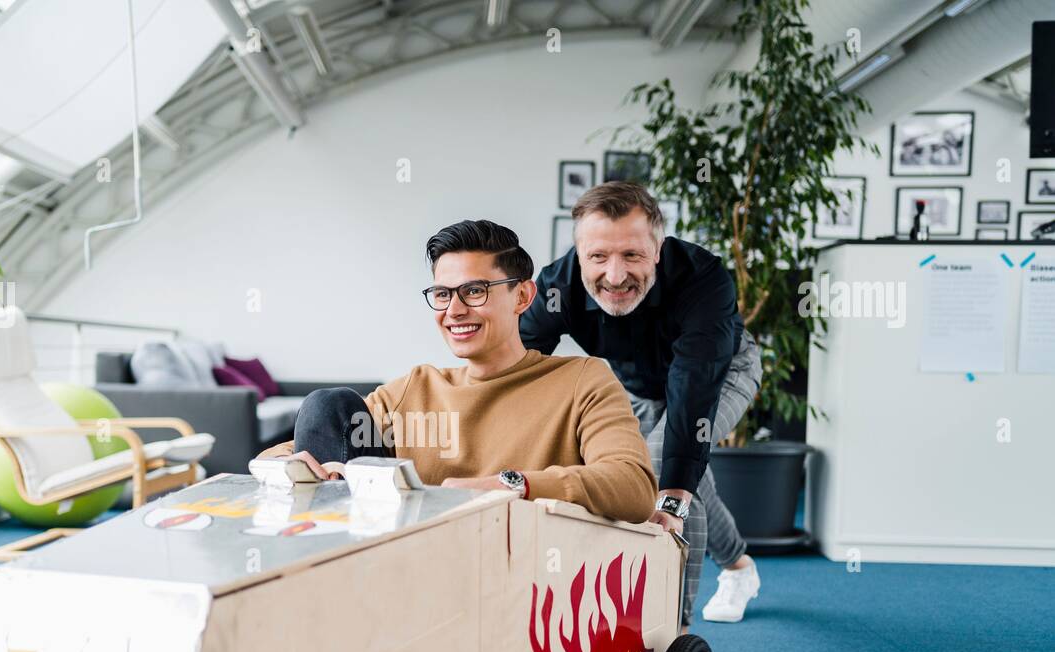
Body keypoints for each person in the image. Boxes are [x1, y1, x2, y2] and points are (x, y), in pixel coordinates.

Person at [259, 219, 657, 525]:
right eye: (443, 294)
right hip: (402, 569)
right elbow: (295, 447)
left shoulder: (582, 380)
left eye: (474, 291)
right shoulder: (416, 387)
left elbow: (633, 486)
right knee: (326, 405)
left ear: (522, 296)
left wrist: (508, 485)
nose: (454, 310)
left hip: (517, 576)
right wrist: (302, 468)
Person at [519, 182, 765, 626]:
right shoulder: (556, 287)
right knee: (691, 474)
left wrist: (671, 499)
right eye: (598, 257)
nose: (615, 275)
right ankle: (738, 567)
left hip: (720, 372)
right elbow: (518, 369)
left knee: (660, 472)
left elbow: (693, 383)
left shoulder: (702, 276)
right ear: (578, 253)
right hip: (638, 385)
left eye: (631, 255)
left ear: (657, 249)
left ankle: (672, 634)